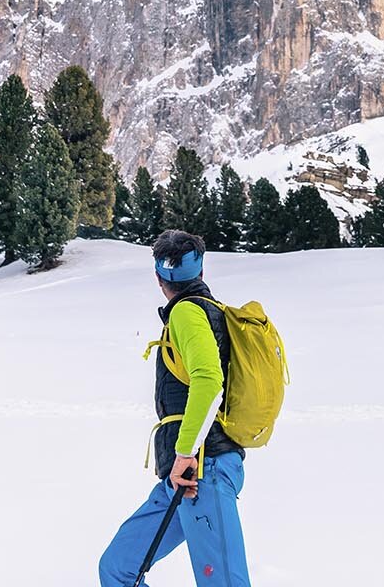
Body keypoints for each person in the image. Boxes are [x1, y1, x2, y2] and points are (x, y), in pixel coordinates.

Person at [98, 230, 250, 586]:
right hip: (182, 475)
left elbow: (210, 382)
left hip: (201, 470)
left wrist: (186, 453)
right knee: (118, 568)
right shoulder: (202, 311)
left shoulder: (187, 313)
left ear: (158, 277)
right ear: (200, 271)